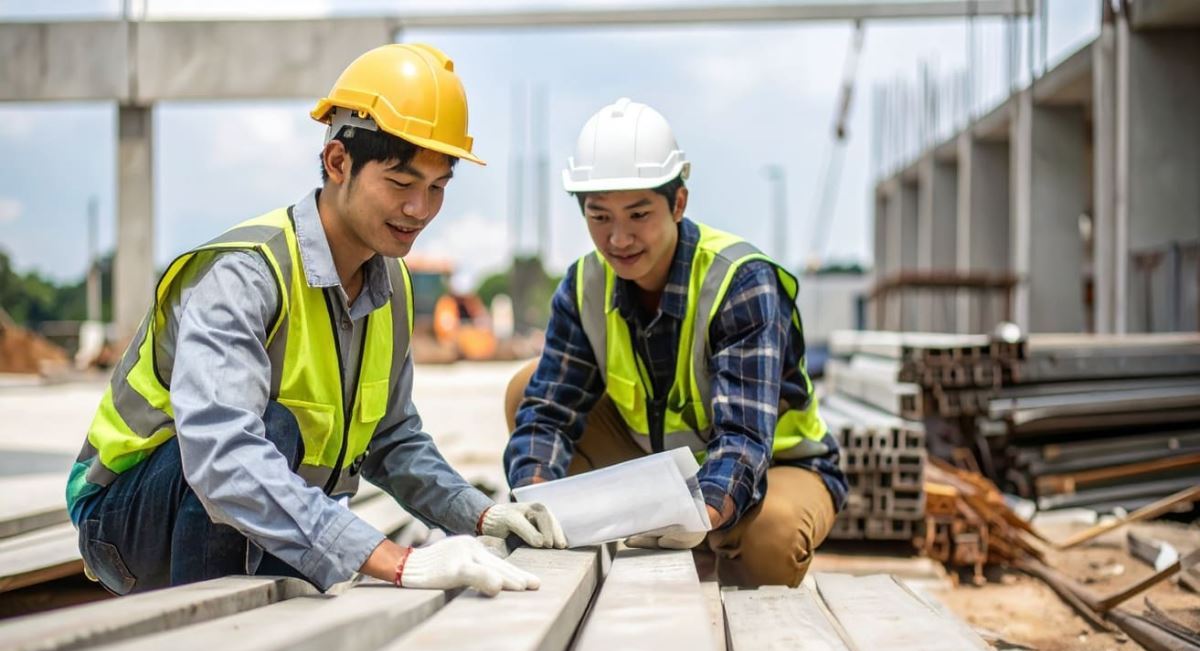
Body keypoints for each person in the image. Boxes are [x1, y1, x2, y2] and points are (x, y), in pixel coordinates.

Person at [67, 43, 565, 598]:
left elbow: (391, 438)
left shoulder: (390, 286)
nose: (419, 210)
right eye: (401, 185)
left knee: (291, 472)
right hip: (127, 518)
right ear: (337, 163)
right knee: (273, 429)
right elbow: (221, 454)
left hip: (262, 514)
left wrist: (480, 516)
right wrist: (394, 559)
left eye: (437, 188)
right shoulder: (245, 276)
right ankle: (212, 639)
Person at [503, 98, 847, 588]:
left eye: (638, 214)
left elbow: (745, 440)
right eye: (600, 217)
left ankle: (717, 543)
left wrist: (696, 516)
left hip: (776, 465)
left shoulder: (739, 282)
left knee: (772, 541)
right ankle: (585, 543)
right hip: (662, 468)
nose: (619, 238)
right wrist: (533, 501)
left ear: (678, 203)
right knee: (523, 391)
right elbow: (548, 414)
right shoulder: (584, 286)